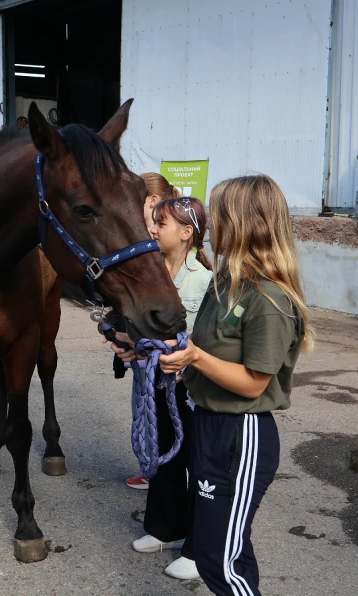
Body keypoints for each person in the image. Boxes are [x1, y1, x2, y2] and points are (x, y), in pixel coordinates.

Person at [114, 174, 312, 596]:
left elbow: (254, 383)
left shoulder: (269, 299)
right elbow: (194, 346)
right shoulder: (225, 282)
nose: (210, 225)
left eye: (219, 216)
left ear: (244, 223)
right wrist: (147, 350)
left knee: (222, 560)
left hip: (241, 434)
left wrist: (196, 358)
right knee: (213, 553)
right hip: (207, 424)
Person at [130, 198, 212, 582]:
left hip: (192, 385)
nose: (153, 229)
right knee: (164, 455)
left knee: (199, 465)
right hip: (158, 380)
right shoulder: (153, 273)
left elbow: (210, 338)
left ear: (186, 232)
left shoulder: (205, 280)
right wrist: (128, 342)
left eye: (161, 223)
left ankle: (200, 548)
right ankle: (167, 529)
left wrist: (187, 354)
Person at [126, 172, 181, 491]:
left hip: (169, 363)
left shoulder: (163, 258)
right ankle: (152, 467)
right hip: (146, 357)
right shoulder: (149, 249)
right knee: (143, 409)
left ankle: (163, 472)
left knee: (161, 412)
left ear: (152, 201)